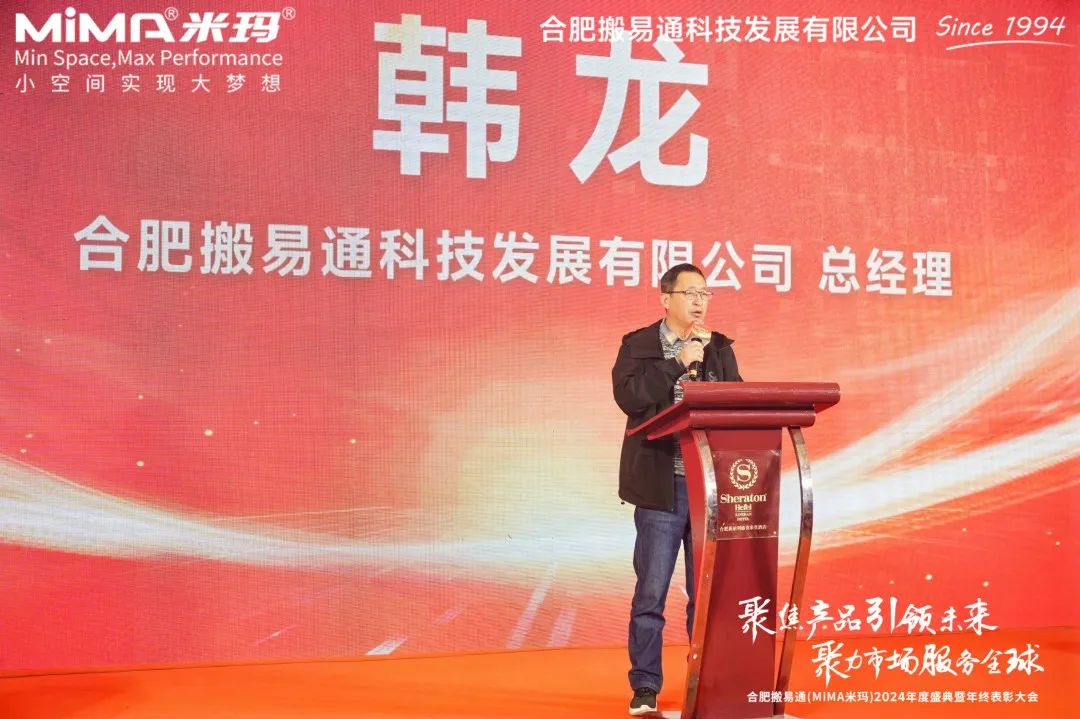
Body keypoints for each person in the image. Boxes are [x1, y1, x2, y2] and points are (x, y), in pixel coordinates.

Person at [611, 263, 742, 715]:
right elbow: (629, 398)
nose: (700, 301)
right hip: (660, 488)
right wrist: (678, 364)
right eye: (691, 293)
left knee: (704, 595)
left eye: (705, 293)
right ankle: (646, 685)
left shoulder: (719, 347)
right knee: (652, 591)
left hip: (709, 486)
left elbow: (738, 403)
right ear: (666, 298)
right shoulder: (638, 346)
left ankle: (705, 680)